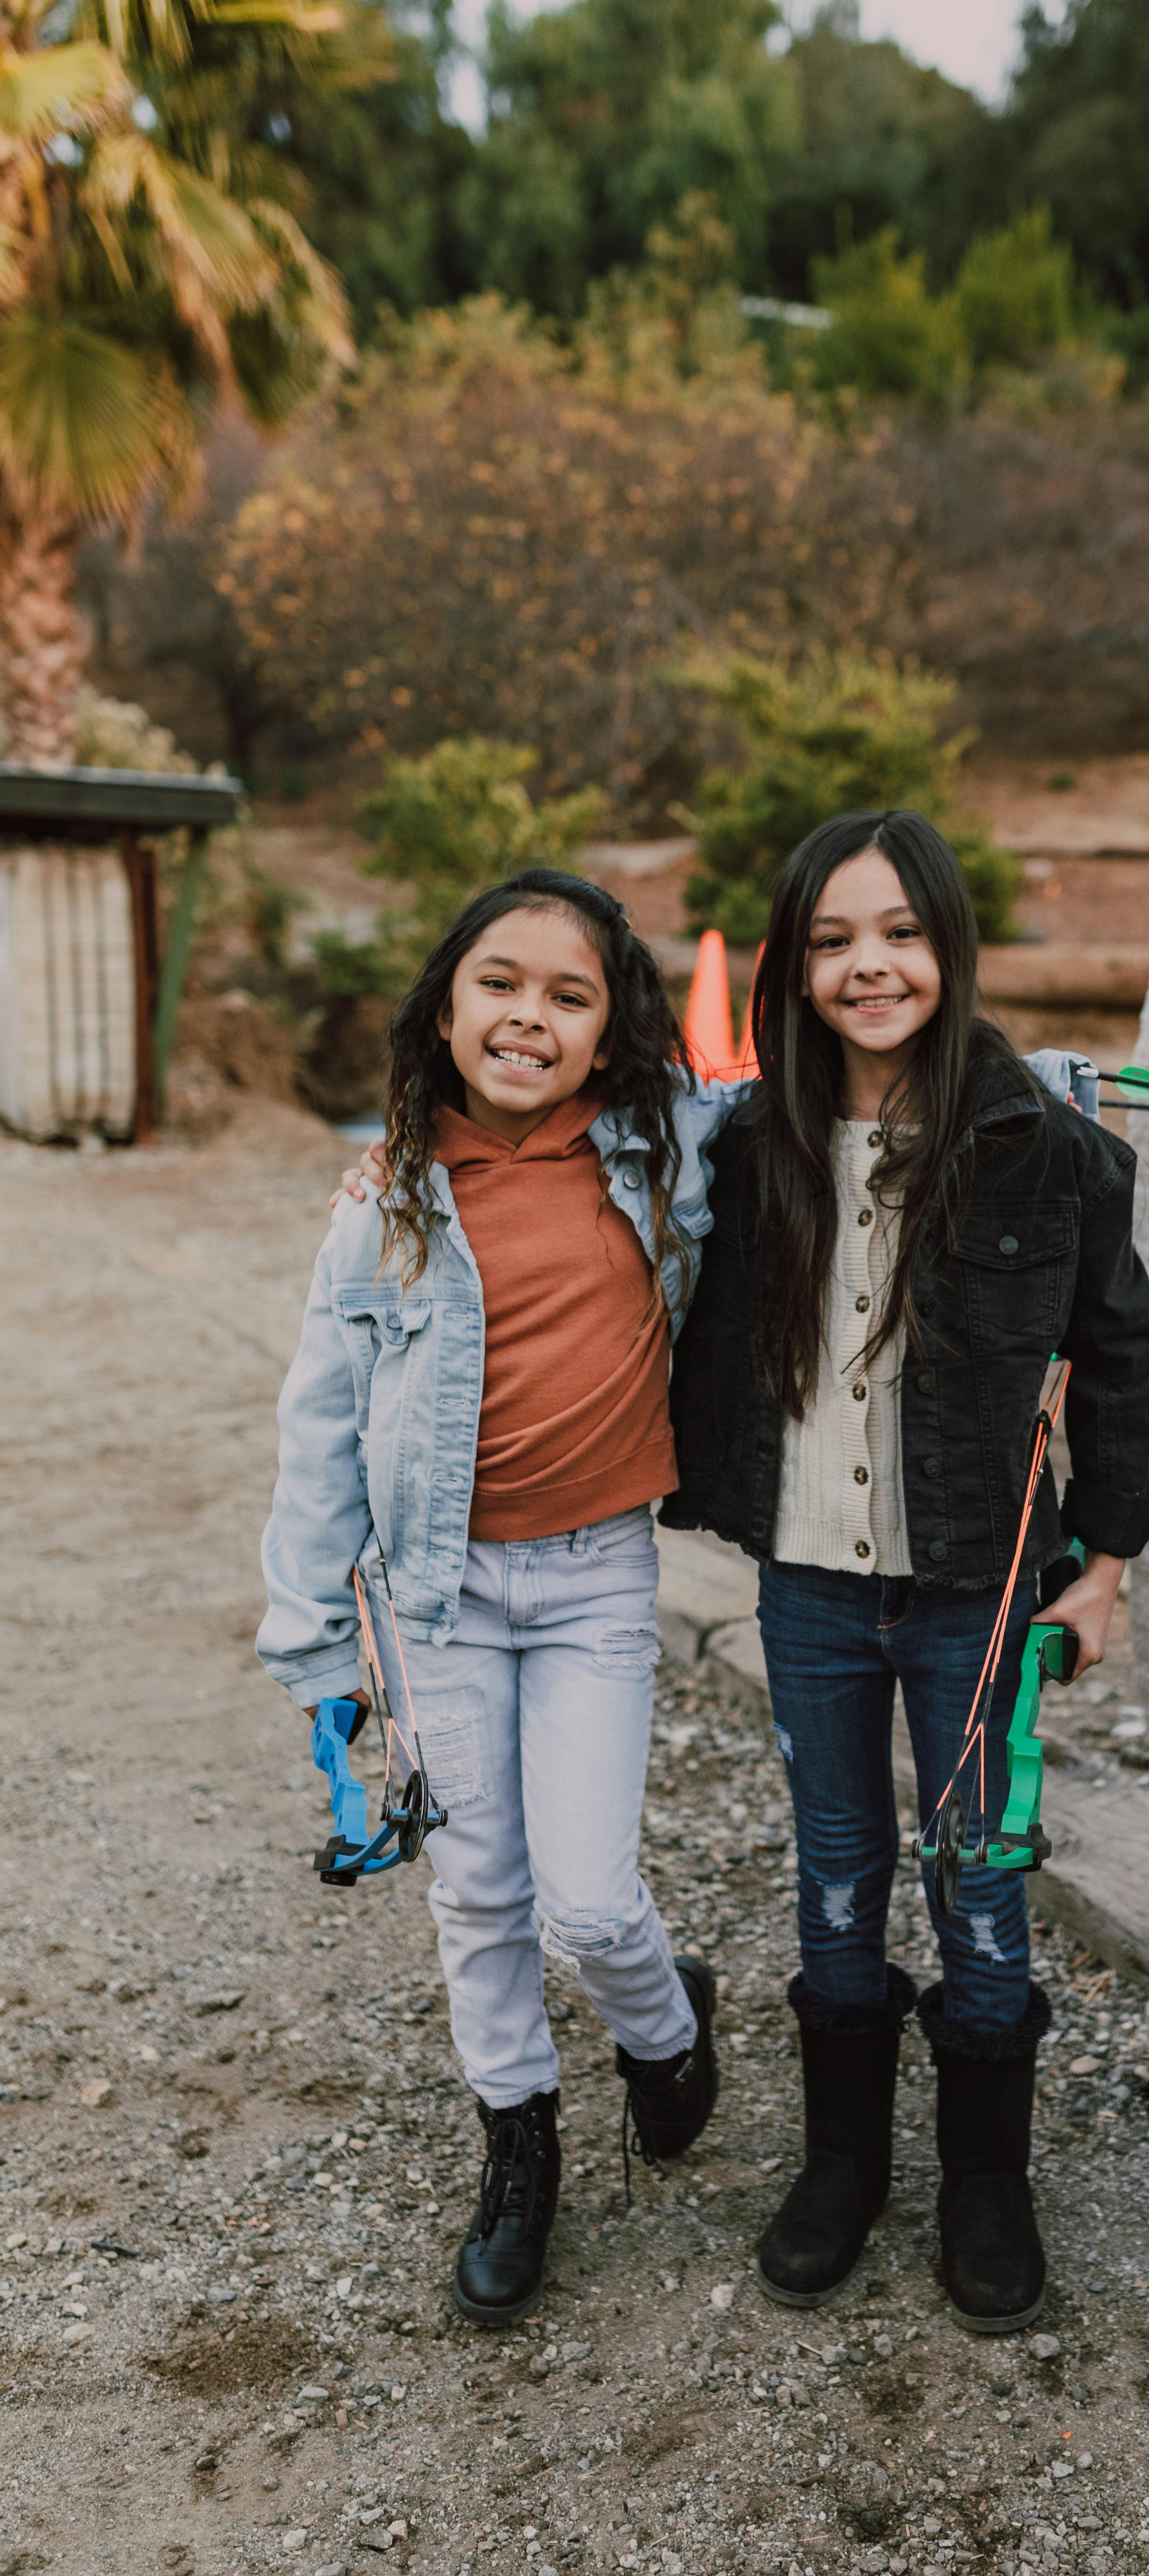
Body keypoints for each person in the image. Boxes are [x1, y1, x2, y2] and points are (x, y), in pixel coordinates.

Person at [661, 808, 1149, 2331]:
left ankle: (986, 2183)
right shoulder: (744, 1145)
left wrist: (1111, 1558)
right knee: (835, 1870)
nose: (868, 966)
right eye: (831, 940)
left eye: (899, 933)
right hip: (810, 1583)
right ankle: (842, 2167)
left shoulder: (1055, 1151)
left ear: (949, 945)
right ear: (792, 964)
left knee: (981, 1877)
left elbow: (1123, 1350)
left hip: (980, 1582)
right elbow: (599, 1163)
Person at [257, 869, 737, 2327]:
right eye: (501, 983)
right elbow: (320, 1427)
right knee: (479, 1887)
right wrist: (318, 1649)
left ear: (614, 1031)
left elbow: (853, 1095)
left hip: (597, 1580)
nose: (530, 1013)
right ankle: (518, 2143)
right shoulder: (386, 1201)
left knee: (590, 1899)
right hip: (436, 1592)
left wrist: (1037, 1075)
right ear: (449, 1007)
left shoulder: (669, 1148)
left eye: (570, 993)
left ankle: (665, 2033)